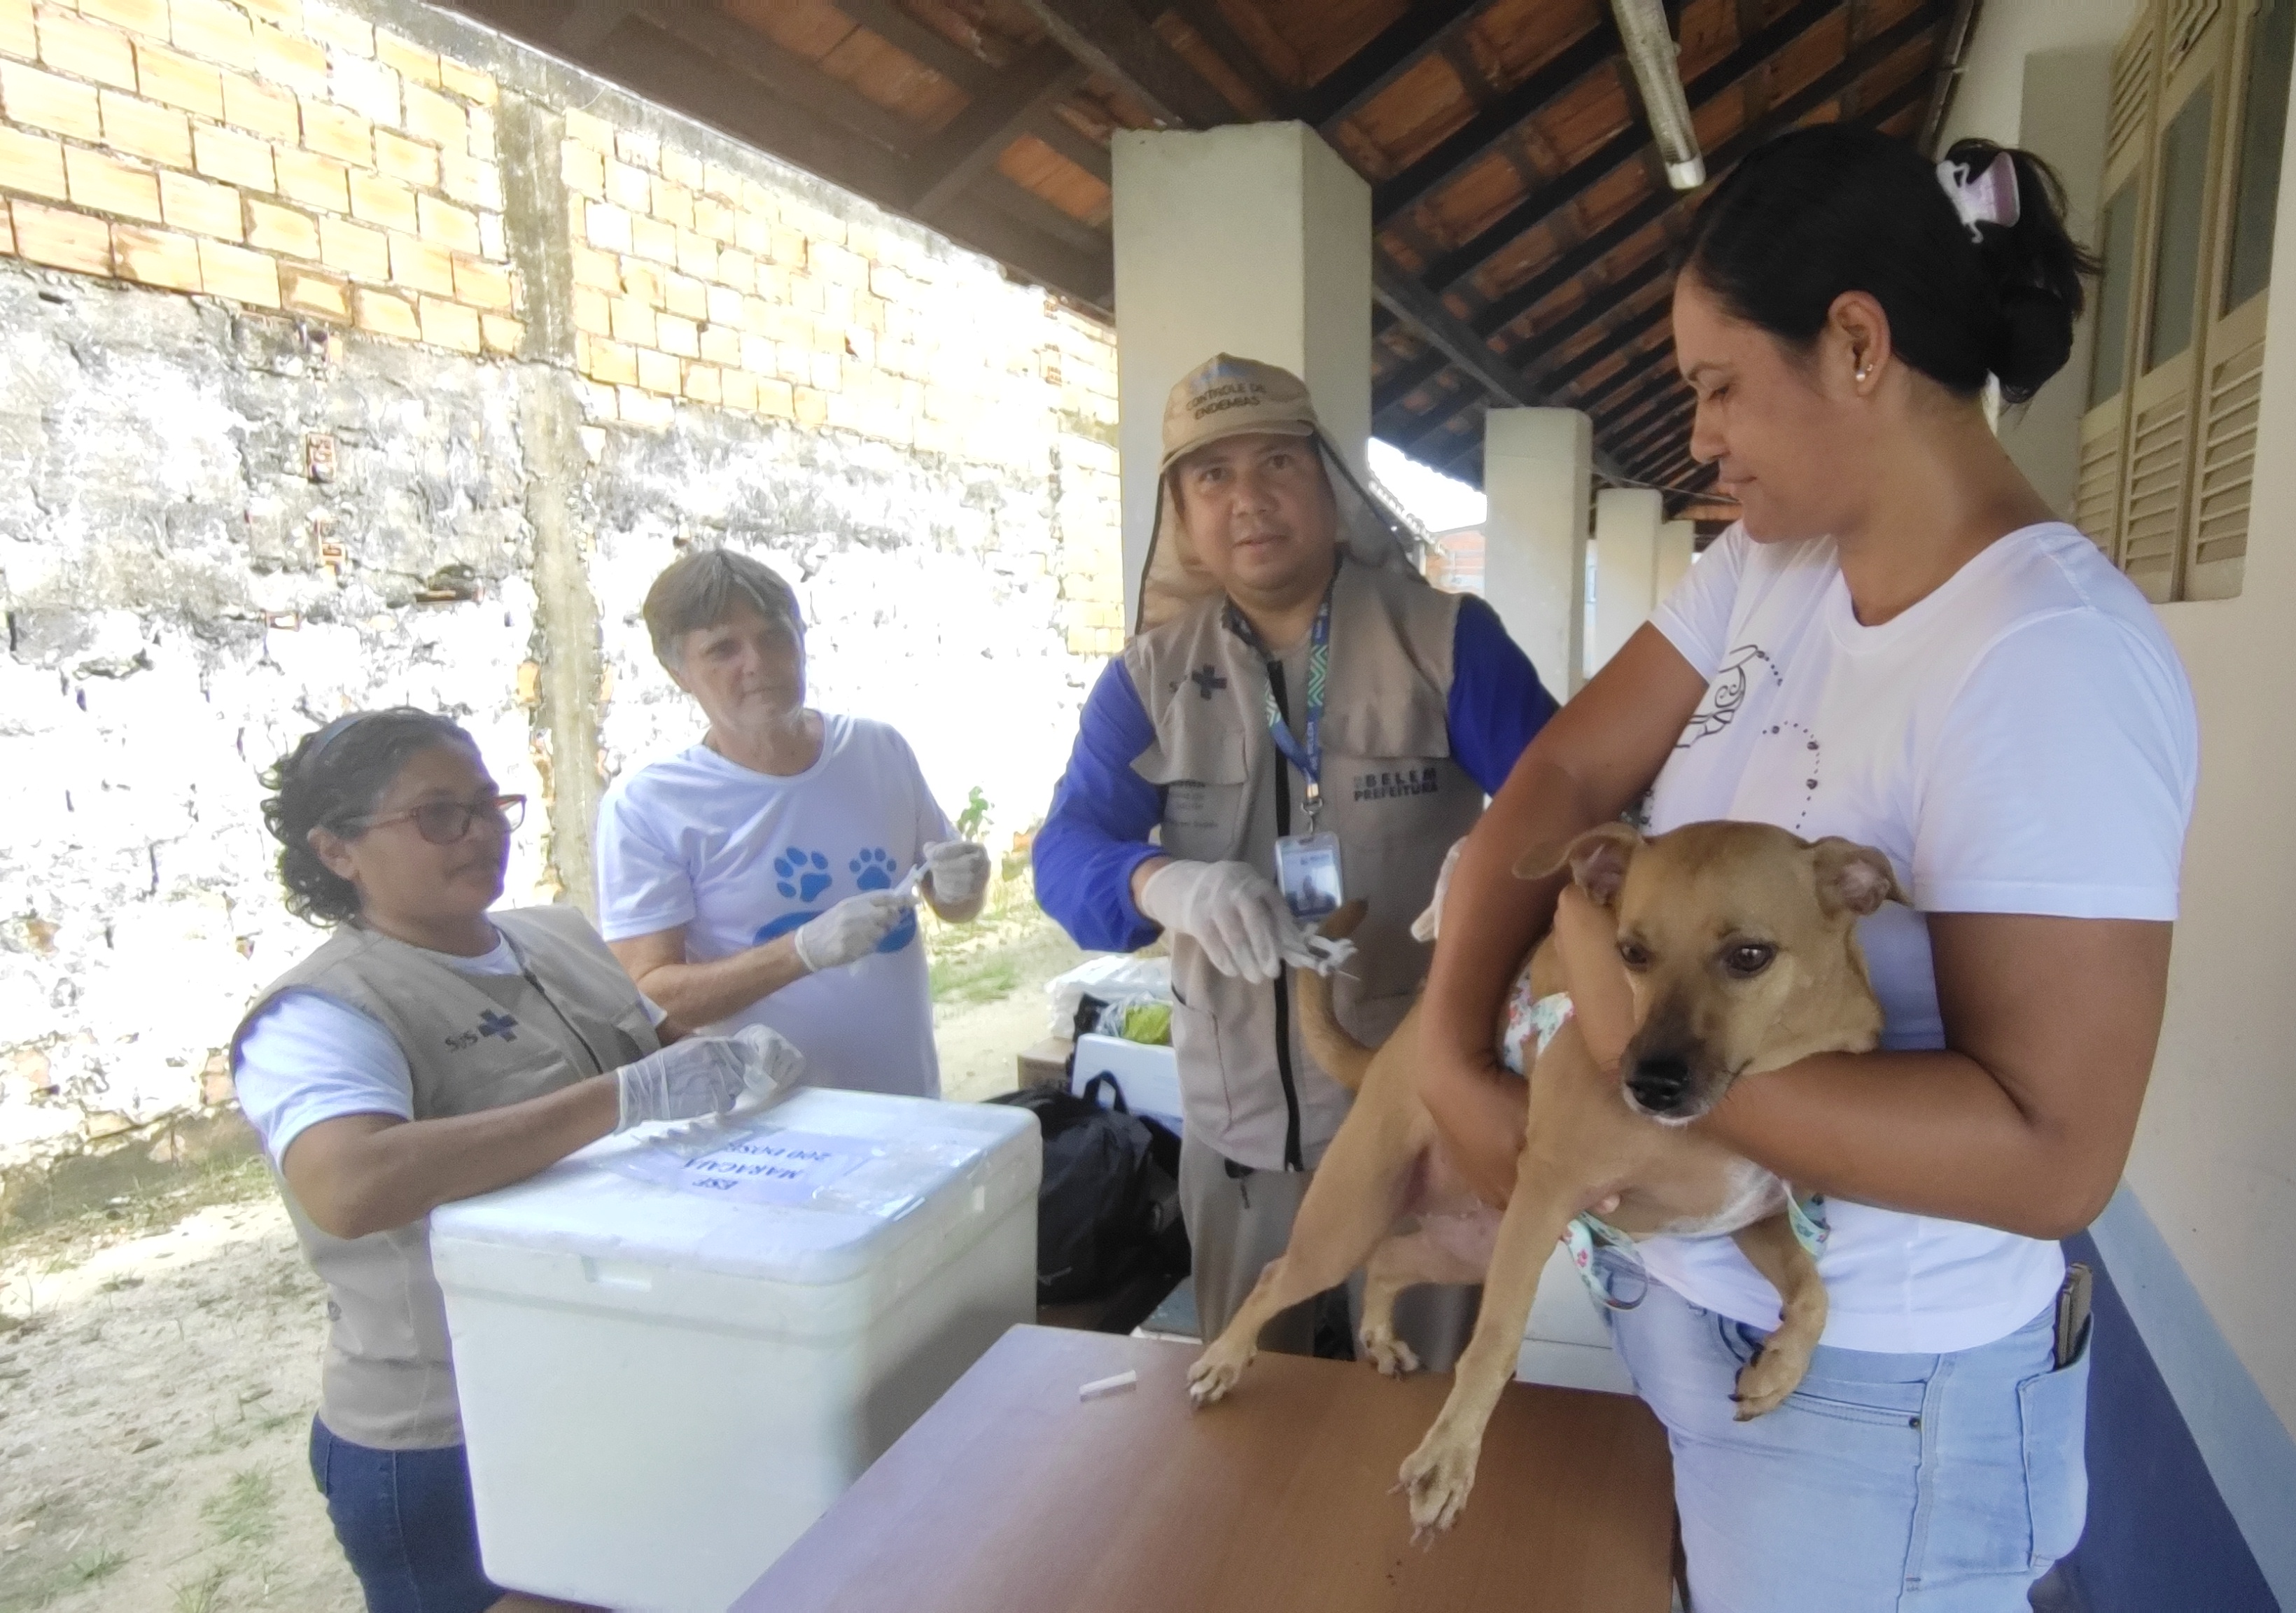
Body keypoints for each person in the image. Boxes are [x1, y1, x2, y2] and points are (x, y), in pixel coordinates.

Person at [1413, 129, 2199, 1612]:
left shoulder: (2040, 662)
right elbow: (1568, 778)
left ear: (1854, 343)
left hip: (1872, 1397)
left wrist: (1617, 1032)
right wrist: (1453, 1049)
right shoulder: (1772, 568)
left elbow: (2050, 1150)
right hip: (1700, 1297)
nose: (1697, 436)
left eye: (1716, 387)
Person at [1033, 354, 1559, 1354]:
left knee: (1419, 1399)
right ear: (1181, 514)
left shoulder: (1447, 641)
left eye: (1277, 462)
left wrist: (1497, 865)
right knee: (1248, 1402)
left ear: (1328, 483)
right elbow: (1065, 854)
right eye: (1211, 476)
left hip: (1422, 1125)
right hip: (1237, 1140)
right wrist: (1160, 880)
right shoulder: (1145, 679)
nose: (1249, 500)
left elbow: (1567, 810)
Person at [232, 708, 804, 1613]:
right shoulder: (323, 1015)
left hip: (616, 1382)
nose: (481, 833)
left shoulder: (557, 937)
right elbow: (349, 1184)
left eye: (490, 804)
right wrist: (631, 1095)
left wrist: (737, 1068)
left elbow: (669, 1061)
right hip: (447, 1433)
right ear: (337, 850)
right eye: (437, 816)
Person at [595, 551, 991, 1098]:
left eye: (776, 636)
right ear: (678, 672)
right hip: (767, 1123)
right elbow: (648, 995)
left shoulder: (877, 750)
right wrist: (800, 951)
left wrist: (965, 884)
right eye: (723, 648)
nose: (758, 662)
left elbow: (953, 906)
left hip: (909, 1103)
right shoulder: (651, 806)